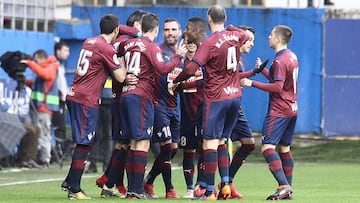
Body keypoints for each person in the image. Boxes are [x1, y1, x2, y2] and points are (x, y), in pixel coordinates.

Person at [168, 4, 249, 200]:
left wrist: (176, 81)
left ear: (209, 19)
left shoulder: (210, 43)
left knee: (210, 143)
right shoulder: (236, 37)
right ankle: (226, 185)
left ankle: (210, 192)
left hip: (217, 98)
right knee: (222, 141)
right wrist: (231, 28)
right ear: (225, 18)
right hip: (235, 97)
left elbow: (190, 69)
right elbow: (244, 35)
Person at [117, 13, 186, 199]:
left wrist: (124, 73)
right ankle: (137, 190)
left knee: (133, 143)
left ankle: (133, 190)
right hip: (141, 96)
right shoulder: (151, 46)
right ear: (156, 30)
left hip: (126, 94)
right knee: (142, 143)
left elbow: (116, 42)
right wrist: (178, 57)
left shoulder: (128, 44)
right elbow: (162, 69)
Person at [60, 14, 127, 200]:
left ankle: (69, 180)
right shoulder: (106, 48)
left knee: (90, 139)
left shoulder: (89, 41)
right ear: (115, 31)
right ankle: (74, 189)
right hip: (85, 99)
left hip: (74, 94)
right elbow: (121, 77)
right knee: (84, 142)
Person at [241, 25, 298, 200]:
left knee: (267, 148)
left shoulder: (280, 60)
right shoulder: (291, 56)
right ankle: (287, 190)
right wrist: (264, 70)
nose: (269, 36)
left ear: (278, 39)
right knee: (284, 148)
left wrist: (252, 83)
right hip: (292, 108)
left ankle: (283, 186)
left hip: (279, 110)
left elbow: (277, 87)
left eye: (272, 34)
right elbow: (282, 82)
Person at [96, 9, 148, 198]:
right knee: (130, 144)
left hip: (121, 99)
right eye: (142, 25)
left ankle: (110, 182)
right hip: (124, 99)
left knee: (123, 144)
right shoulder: (125, 42)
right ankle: (115, 183)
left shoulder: (123, 42)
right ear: (134, 26)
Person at [143, 17, 183, 199]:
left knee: (173, 149)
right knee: (166, 147)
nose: (170, 33)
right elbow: (160, 71)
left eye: (174, 30)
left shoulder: (182, 54)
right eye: (167, 30)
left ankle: (149, 181)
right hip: (159, 105)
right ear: (162, 32)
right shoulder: (158, 51)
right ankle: (169, 188)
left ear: (180, 32)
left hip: (175, 107)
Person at [227, 25, 264, 199]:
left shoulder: (240, 58)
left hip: (236, 107)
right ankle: (202, 186)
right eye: (249, 39)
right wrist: (251, 74)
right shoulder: (231, 55)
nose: (251, 43)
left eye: (253, 41)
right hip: (223, 105)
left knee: (249, 143)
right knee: (211, 145)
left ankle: (227, 181)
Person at [177, 31, 204, 199]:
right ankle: (189, 188)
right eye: (188, 41)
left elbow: (204, 82)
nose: (191, 44)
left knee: (204, 150)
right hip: (186, 114)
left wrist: (183, 83)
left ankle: (201, 186)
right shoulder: (179, 62)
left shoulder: (203, 62)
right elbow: (173, 83)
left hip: (202, 113)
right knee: (188, 151)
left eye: (194, 42)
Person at [21, 49, 60, 168]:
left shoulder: (51, 67)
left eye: (36, 59)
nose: (35, 62)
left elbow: (46, 75)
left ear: (41, 57)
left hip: (44, 109)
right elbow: (38, 85)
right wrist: (25, 82)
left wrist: (29, 63)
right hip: (37, 107)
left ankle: (44, 160)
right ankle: (34, 158)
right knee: (36, 134)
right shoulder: (44, 68)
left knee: (43, 134)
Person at [0, 80, 42, 169]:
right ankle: (23, 159)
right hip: (4, 121)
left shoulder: (22, 91)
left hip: (10, 119)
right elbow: (4, 107)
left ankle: (29, 158)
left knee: (36, 129)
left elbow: (7, 107)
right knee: (30, 130)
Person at [85, 76, 113, 174]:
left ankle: (97, 165)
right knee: (105, 135)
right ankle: (104, 165)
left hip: (101, 99)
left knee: (102, 135)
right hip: (103, 99)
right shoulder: (115, 61)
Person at [52, 41, 70, 142]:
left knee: (61, 127)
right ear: (58, 51)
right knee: (59, 127)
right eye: (65, 50)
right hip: (56, 102)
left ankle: (60, 150)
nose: (68, 53)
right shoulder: (54, 65)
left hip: (61, 102)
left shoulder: (60, 65)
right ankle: (58, 151)